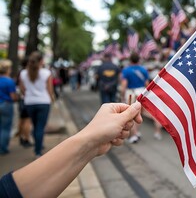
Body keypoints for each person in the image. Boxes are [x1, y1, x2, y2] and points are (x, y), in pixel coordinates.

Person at [0, 102, 143, 198]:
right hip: (42, 104)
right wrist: (90, 141)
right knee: (38, 129)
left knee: (36, 128)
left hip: (30, 105)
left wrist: (91, 144)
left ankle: (30, 148)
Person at [19, 51, 55, 157]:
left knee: (35, 126)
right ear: (41, 61)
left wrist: (29, 96)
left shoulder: (23, 73)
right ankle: (38, 150)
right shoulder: (46, 73)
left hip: (29, 102)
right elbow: (50, 90)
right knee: (40, 127)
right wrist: (52, 99)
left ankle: (37, 147)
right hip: (43, 102)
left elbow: (22, 89)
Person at [121, 52, 162, 143]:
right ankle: (137, 132)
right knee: (139, 114)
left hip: (131, 93)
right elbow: (147, 84)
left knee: (131, 115)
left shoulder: (126, 70)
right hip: (141, 92)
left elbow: (124, 84)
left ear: (130, 60)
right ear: (138, 60)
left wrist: (122, 96)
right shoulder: (143, 69)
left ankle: (134, 135)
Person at [0, 59, 17, 155]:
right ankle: (3, 148)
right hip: (6, 104)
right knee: (5, 128)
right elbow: (13, 96)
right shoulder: (9, 81)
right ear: (7, 69)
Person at [16, 58, 33, 147]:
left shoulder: (21, 72)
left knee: (22, 119)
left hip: (22, 99)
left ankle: (21, 136)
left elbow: (19, 86)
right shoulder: (27, 73)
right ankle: (26, 139)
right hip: (27, 99)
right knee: (27, 120)